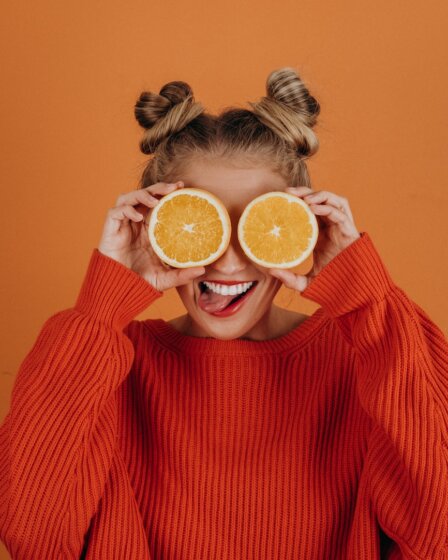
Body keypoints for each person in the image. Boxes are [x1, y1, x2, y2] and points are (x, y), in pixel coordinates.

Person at [0, 67, 447, 560]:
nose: (229, 262)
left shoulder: (368, 357)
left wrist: (369, 302)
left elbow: (436, 530)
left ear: (303, 226)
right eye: (199, 222)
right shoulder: (107, 363)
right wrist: (101, 308)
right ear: (152, 227)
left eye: (259, 223)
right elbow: (33, 536)